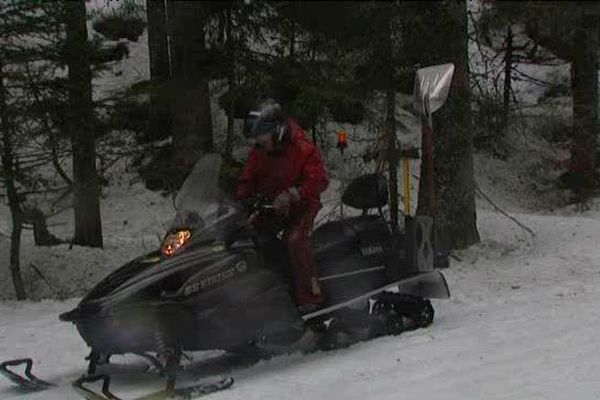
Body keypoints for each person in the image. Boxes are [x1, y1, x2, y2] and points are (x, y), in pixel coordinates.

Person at [236, 101, 329, 314]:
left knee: (295, 239)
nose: (259, 141)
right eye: (257, 137)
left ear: (276, 130)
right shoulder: (260, 150)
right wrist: (242, 200)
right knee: (250, 238)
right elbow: (248, 178)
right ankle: (267, 293)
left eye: (262, 135)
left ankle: (311, 297)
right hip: (270, 205)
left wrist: (293, 194)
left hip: (302, 204)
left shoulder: (301, 146)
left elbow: (320, 179)